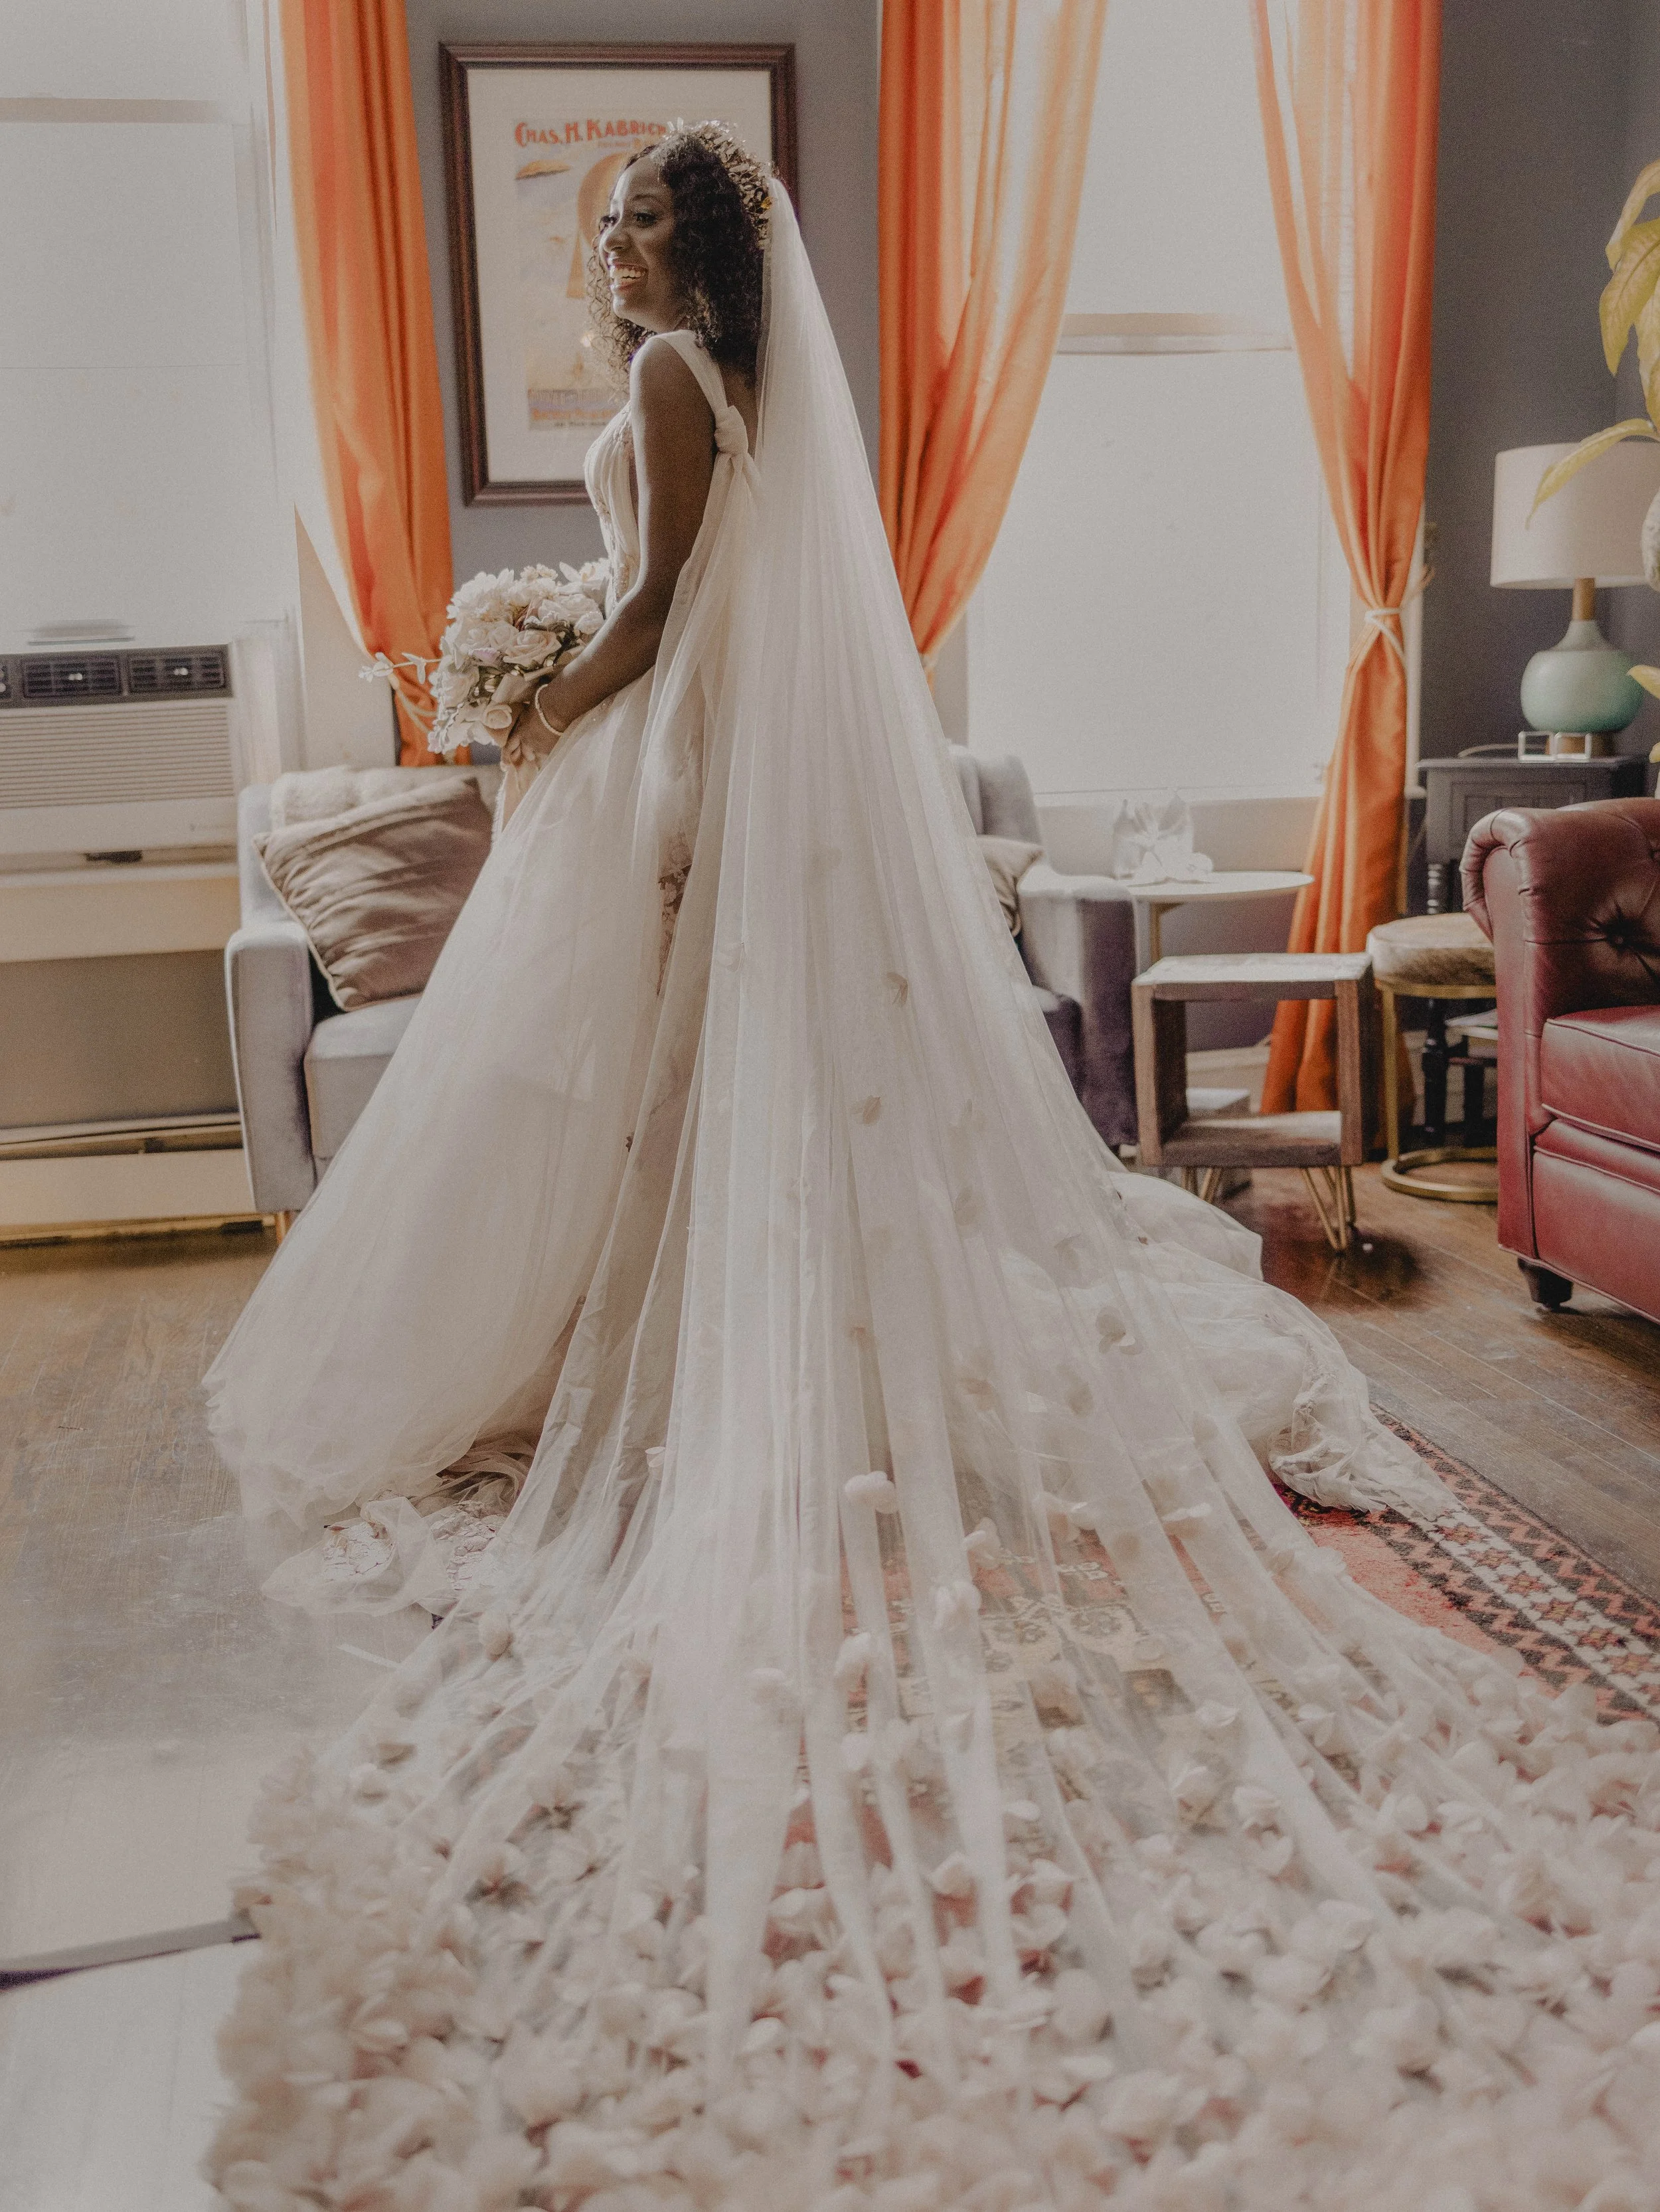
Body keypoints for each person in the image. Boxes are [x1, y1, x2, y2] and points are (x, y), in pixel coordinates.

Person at [206, 128, 1660, 2210]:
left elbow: (653, 609)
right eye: (599, 224)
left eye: (632, 224)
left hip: (666, 767)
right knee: (667, 1094)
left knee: (653, 1087)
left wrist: (512, 714)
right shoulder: (745, 388)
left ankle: (673, 1355)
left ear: (691, 252)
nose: (603, 252)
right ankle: (684, 1329)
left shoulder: (666, 387)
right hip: (687, 767)